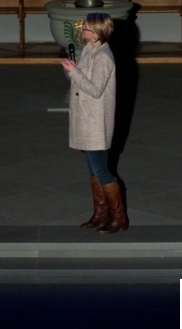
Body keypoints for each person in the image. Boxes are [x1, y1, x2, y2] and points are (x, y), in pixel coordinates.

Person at [61, 12, 129, 234]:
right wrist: (72, 69)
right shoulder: (90, 49)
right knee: (93, 169)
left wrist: (74, 72)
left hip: (95, 121)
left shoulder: (103, 57)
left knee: (101, 169)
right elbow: (81, 79)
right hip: (87, 118)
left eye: (86, 27)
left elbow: (95, 89)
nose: (82, 29)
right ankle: (101, 213)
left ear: (97, 33)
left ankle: (119, 218)